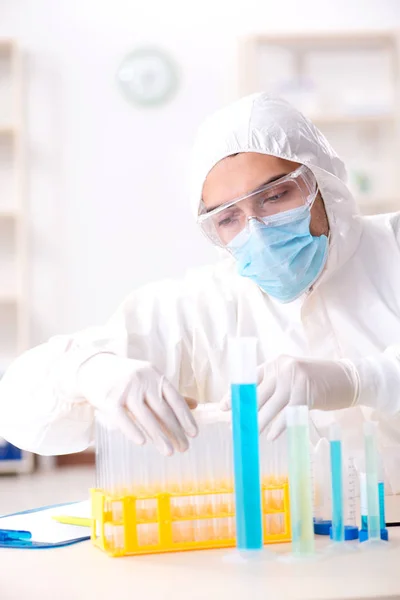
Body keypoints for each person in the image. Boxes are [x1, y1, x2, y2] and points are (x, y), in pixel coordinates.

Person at [1, 93, 400, 490]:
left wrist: (362, 380)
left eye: (276, 195)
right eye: (228, 218)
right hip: (301, 544)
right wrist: (89, 372)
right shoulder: (202, 306)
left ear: (322, 180)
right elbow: (18, 410)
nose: (256, 230)